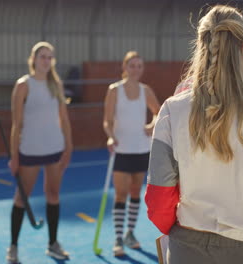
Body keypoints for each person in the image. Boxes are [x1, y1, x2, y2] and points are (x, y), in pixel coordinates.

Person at [145, 5, 243, 264]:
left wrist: (180, 230)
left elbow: (159, 195)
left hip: (186, 247)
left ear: (200, 45)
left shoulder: (172, 109)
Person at [6, 42, 73, 262]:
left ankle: (52, 243)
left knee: (53, 194)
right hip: (30, 150)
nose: (46, 60)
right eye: (42, 56)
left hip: (54, 148)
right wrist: (14, 156)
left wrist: (68, 146)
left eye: (49, 57)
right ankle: (13, 246)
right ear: (33, 59)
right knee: (21, 197)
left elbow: (63, 118)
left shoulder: (56, 84)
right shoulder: (23, 85)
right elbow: (16, 124)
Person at [103, 51, 160, 256]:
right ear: (124, 67)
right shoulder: (114, 90)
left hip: (141, 149)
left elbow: (158, 112)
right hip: (121, 149)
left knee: (136, 191)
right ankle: (118, 238)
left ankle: (130, 233)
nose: (135, 69)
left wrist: (152, 125)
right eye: (132, 65)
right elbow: (107, 120)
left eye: (139, 66)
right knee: (120, 193)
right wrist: (110, 136)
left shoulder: (146, 90)